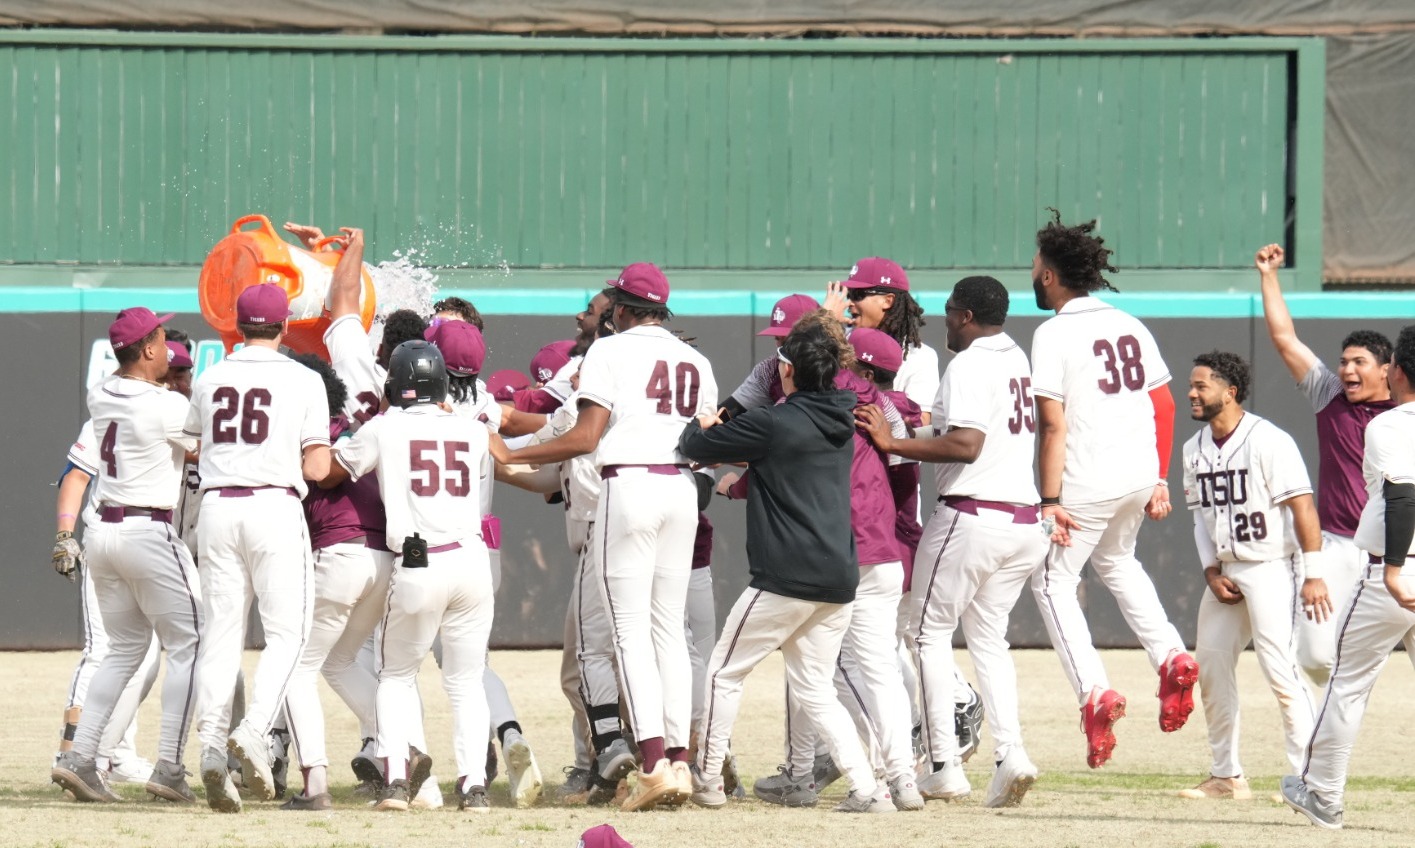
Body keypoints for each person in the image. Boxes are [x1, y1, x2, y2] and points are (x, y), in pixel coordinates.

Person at [491, 262, 718, 812]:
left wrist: (513, 454)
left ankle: (652, 762)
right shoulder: (697, 360)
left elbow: (586, 435)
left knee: (628, 631)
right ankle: (682, 762)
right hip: (682, 486)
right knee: (668, 629)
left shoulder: (608, 351)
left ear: (620, 308)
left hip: (631, 483)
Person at [679, 319, 893, 814]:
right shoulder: (843, 413)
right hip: (839, 576)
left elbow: (695, 447)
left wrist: (704, 422)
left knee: (721, 674)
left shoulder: (774, 421)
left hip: (787, 578)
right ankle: (868, 788)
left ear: (788, 369)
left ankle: (708, 780)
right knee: (816, 688)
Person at [858, 276, 1045, 807]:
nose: (944, 322)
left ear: (964, 315)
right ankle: (1011, 754)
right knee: (989, 641)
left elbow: (966, 445)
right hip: (1023, 521)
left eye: (948, 312)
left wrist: (894, 442)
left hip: (973, 515)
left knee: (926, 634)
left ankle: (944, 764)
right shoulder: (1016, 358)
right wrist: (909, 433)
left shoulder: (968, 363)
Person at [1027, 210, 1198, 768]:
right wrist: (1157, 477)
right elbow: (1165, 405)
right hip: (1134, 476)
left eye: (1035, 266)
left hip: (1086, 481)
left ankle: (1094, 694)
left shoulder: (1052, 332)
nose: (1032, 273)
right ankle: (1171, 656)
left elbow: (1052, 425)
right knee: (1119, 563)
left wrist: (1049, 500)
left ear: (1050, 276)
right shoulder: (1129, 324)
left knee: (1052, 583)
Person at [325, 340, 497, 812]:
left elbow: (331, 473)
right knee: (467, 679)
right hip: (471, 560)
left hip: (419, 560)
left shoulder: (383, 427)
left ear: (394, 384)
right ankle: (474, 787)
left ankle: (397, 781)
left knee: (396, 676)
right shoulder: (473, 431)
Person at [187, 284, 331, 813]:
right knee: (287, 635)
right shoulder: (304, 378)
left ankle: (207, 746)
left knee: (221, 636)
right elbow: (316, 468)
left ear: (239, 325)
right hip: (273, 506)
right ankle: (250, 731)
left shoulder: (210, 376)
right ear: (284, 326)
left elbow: (195, 445)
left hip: (218, 508)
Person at [50, 307, 203, 805]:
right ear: (150, 349)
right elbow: (206, 449)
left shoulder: (102, 393)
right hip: (148, 531)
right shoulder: (165, 406)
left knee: (123, 650)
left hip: (104, 534)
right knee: (191, 643)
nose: (165, 344)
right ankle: (170, 765)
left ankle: (80, 758)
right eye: (160, 336)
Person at [1178, 351, 1329, 800]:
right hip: (1226, 571)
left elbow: (1303, 508)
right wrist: (1209, 570)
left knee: (1281, 672)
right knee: (1211, 668)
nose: (1192, 392)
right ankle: (1226, 774)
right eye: (1192, 383)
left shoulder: (1269, 440)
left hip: (1272, 566)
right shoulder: (1193, 449)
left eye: (1201, 385)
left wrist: (1313, 573)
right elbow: (1199, 519)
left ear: (1230, 391)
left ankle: (1311, 779)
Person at [1281, 325, 1415, 830]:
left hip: (1392, 573)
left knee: (1347, 685)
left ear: (1396, 371)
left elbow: (1402, 498)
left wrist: (1397, 571)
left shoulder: (1389, 426)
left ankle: (1322, 795)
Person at [1255, 243, 1403, 685]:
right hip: (1337, 546)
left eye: (1359, 362)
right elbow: (1284, 339)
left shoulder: (1405, 413)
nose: (1347, 370)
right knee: (1316, 658)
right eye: (1343, 361)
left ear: (1387, 370)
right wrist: (1268, 274)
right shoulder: (1329, 396)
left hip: (1394, 550)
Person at [278, 354, 392, 811]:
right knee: (339, 662)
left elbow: (315, 471)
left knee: (294, 669)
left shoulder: (306, 435)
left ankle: (315, 785)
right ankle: (400, 747)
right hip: (383, 557)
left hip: (340, 552)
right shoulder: (359, 425)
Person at [837, 258, 940, 422]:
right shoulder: (838, 338)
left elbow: (921, 421)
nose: (849, 303)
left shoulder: (920, 356)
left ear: (888, 300)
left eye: (858, 295)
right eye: (849, 295)